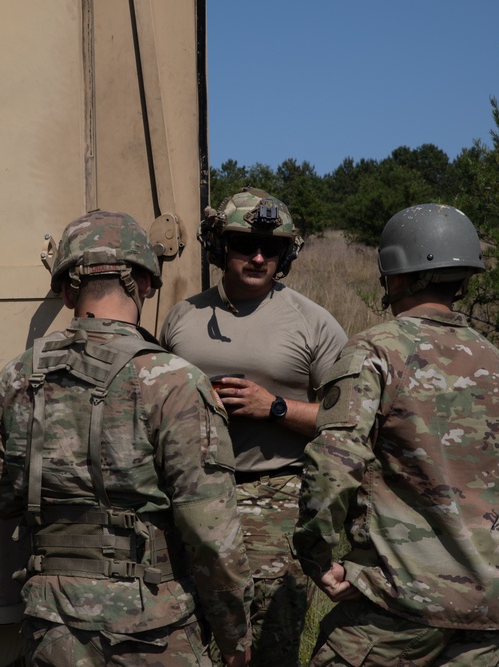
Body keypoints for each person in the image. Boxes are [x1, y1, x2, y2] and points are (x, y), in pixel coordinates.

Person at [0, 210, 253, 667]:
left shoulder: (15, 377)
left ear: (66, 290)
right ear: (144, 283)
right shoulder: (173, 380)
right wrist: (235, 639)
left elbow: (2, 500)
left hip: (51, 626)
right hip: (151, 630)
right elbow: (212, 536)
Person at [294, 203, 499, 666]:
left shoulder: (373, 352)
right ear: (463, 278)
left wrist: (317, 557)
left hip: (391, 610)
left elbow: (333, 467)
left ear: (395, 274)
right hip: (483, 618)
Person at [160, 188, 348, 666]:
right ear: (221, 247)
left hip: (277, 501)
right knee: (191, 638)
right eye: (245, 244)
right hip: (188, 498)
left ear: (287, 255)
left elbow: (347, 422)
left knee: (271, 639)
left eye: (273, 248)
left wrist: (276, 408)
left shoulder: (314, 323)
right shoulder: (183, 317)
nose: (259, 256)